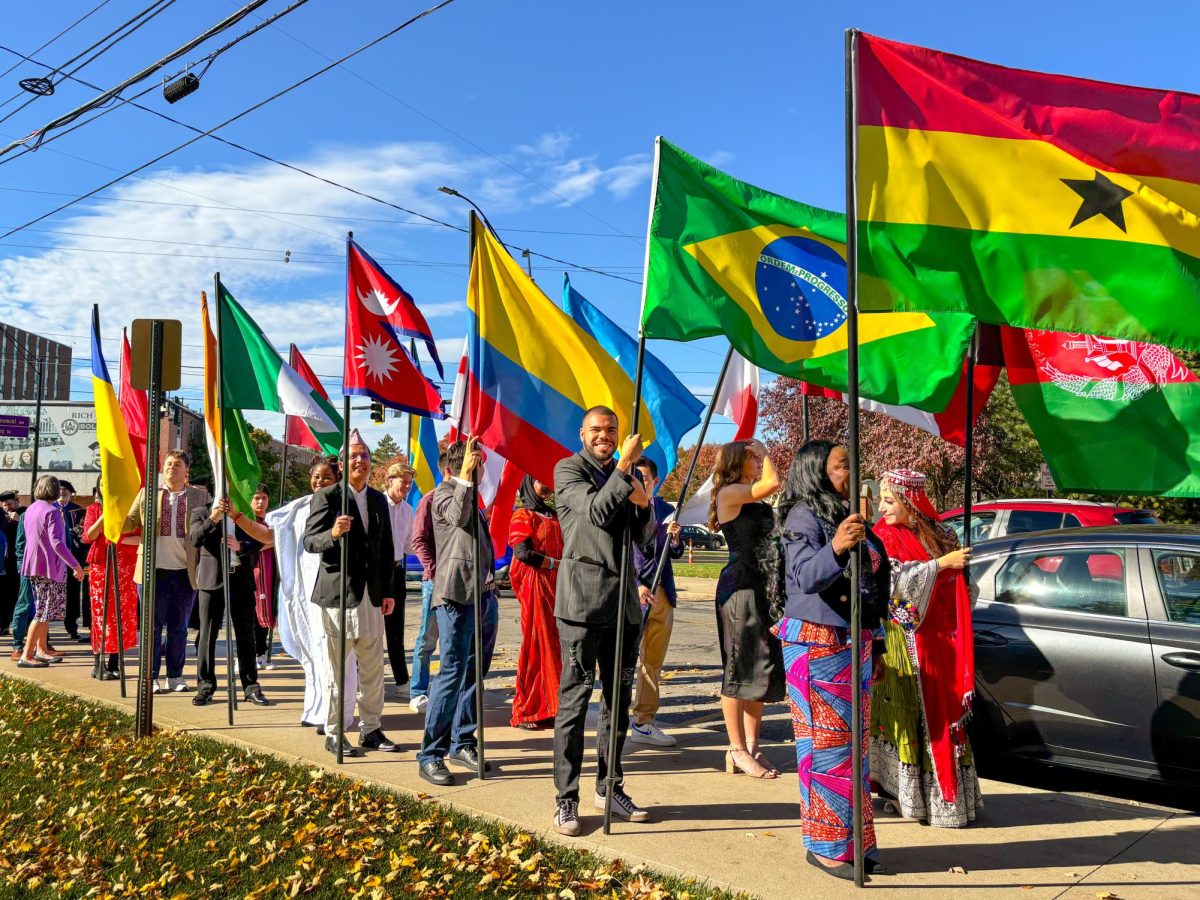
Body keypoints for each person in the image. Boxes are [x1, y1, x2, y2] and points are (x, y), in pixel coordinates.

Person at [777, 440, 891, 881]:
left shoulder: (850, 514)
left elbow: (871, 588)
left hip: (854, 642)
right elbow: (804, 576)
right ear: (817, 472)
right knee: (826, 750)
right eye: (842, 465)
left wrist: (876, 645)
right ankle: (825, 847)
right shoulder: (803, 516)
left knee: (854, 750)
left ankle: (854, 843)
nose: (851, 471)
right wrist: (838, 547)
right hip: (817, 644)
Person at [551, 406, 655, 836]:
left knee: (617, 703)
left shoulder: (625, 473)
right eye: (597, 429)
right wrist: (626, 468)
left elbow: (645, 536)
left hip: (623, 607)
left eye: (611, 430)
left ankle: (609, 785)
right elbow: (594, 513)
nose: (605, 436)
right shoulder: (567, 470)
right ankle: (566, 799)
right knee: (575, 704)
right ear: (582, 432)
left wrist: (645, 500)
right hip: (581, 606)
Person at [871, 469, 981, 828]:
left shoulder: (944, 534)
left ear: (911, 502)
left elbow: (967, 587)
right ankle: (903, 795)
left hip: (943, 639)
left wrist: (958, 571)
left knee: (945, 715)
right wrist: (939, 567)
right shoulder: (882, 537)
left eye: (890, 501)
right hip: (903, 641)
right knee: (906, 715)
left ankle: (948, 799)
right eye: (881, 500)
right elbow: (892, 588)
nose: (882, 508)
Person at [303, 430, 399, 757]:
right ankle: (334, 731)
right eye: (354, 456)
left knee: (373, 669)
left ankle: (371, 729)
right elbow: (310, 541)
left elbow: (386, 548)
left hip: (372, 598)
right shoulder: (328, 497)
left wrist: (387, 590)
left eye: (366, 456)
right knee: (337, 670)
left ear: (372, 464)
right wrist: (333, 532)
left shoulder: (378, 500)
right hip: (338, 597)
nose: (360, 460)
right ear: (342, 464)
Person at [417, 437, 499, 786]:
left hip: (483, 595)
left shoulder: (473, 497)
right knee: (450, 674)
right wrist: (465, 477)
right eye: (473, 465)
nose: (479, 471)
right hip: (455, 597)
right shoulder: (442, 496)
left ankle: (462, 742)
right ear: (453, 468)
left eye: (478, 466)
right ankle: (430, 754)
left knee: (473, 674)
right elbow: (456, 516)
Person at [710, 439, 786, 778]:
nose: (758, 463)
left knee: (761, 666)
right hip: (738, 588)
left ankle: (754, 745)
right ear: (736, 462)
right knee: (738, 668)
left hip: (762, 587)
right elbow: (772, 483)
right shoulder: (730, 493)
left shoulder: (748, 494)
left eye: (758, 458)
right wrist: (767, 452)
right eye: (752, 458)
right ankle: (736, 749)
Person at [267, 459, 357, 732]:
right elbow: (268, 535)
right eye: (316, 477)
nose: (320, 482)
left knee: (337, 656)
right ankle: (315, 709)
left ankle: (338, 716)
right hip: (305, 593)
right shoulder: (297, 508)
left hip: (335, 589)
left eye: (326, 477)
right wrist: (236, 517)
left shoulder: (345, 506)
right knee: (312, 651)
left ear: (337, 478)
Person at [122, 449, 206, 694]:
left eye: (178, 464)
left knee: (179, 627)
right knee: (153, 627)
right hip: (152, 570)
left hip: (184, 571)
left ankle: (175, 676)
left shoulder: (199, 497)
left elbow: (207, 527)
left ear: (186, 470)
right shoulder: (148, 494)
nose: (172, 467)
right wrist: (115, 503)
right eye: (169, 463)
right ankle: (151, 676)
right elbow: (129, 522)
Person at [189, 494, 270, 707]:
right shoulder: (201, 512)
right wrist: (213, 519)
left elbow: (260, 542)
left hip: (240, 579)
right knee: (207, 635)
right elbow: (195, 539)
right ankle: (205, 687)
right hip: (212, 580)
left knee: (246, 635)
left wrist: (241, 546)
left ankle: (251, 687)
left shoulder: (244, 514)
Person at [629, 457, 684, 748]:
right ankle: (615, 716)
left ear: (655, 480)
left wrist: (675, 539)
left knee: (652, 663)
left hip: (663, 593)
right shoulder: (625, 507)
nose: (640, 481)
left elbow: (674, 553)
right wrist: (636, 584)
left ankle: (643, 720)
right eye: (635, 476)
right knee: (625, 660)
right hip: (635, 594)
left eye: (645, 477)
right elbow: (622, 552)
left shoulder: (666, 510)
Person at [507, 475, 563, 730]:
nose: (546, 484)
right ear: (529, 484)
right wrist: (554, 564)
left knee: (556, 646)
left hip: (559, 587)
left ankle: (552, 706)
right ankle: (527, 709)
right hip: (536, 586)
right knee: (536, 643)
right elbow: (522, 553)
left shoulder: (555, 513)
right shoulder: (523, 514)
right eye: (540, 480)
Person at [18, 475, 84, 668]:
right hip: (48, 567)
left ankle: (41, 649)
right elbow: (58, 543)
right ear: (54, 490)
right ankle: (27, 654)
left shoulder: (31, 509)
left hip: (34, 565)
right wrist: (76, 565)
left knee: (44, 610)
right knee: (42, 611)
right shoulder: (52, 511)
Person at [82, 482, 139, 680]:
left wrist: (118, 539)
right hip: (101, 566)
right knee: (101, 613)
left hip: (125, 567)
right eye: (103, 484)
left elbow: (141, 538)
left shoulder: (131, 510)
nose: (107, 486)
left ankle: (115, 662)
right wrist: (105, 515)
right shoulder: (93, 509)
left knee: (122, 614)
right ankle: (99, 662)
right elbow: (88, 536)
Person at [383, 460, 416, 699]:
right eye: (402, 482)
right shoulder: (376, 504)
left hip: (396, 571)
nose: (406, 486)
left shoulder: (407, 510)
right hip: (374, 572)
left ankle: (401, 679)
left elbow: (409, 545)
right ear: (389, 481)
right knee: (370, 630)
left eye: (409, 483)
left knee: (396, 629)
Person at [408, 486, 439, 713]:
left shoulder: (470, 497)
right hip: (436, 581)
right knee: (427, 638)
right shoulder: (430, 500)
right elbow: (418, 540)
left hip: (460, 582)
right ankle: (418, 692)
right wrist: (434, 570)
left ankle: (444, 692)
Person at [247, 485, 276, 671]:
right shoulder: (247, 521)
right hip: (251, 572)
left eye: (264, 498)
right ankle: (249, 654)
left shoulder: (273, 520)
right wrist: (269, 540)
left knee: (266, 613)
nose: (260, 502)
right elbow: (251, 545)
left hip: (270, 572)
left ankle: (261, 653)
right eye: (256, 497)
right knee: (249, 615)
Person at [56, 480, 89, 642]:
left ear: (70, 493)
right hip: (54, 560)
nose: (62, 492)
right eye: (59, 489)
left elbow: (81, 530)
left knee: (73, 594)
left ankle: (72, 627)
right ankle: (45, 634)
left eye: (65, 490)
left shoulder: (79, 510)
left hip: (74, 560)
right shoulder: (49, 508)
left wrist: (63, 532)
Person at [0, 490, 22, 639]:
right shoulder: (0, 516)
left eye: (10, 504)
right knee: (3, 595)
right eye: (5, 504)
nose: (7, 507)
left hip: (17, 561)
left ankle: (16, 625)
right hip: (3, 563)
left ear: (16, 503)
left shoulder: (23, 513)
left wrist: (19, 520)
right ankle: (3, 624)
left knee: (16, 594)